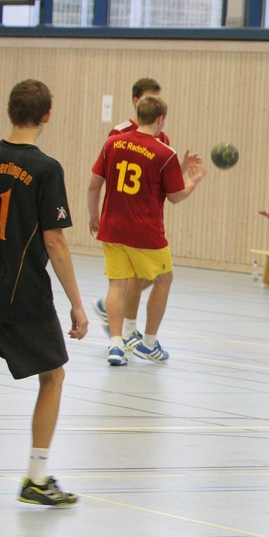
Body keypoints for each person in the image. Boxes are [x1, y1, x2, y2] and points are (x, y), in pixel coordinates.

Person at [0, 79, 88, 512]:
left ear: (10, 110)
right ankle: (36, 476)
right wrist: (77, 303)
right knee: (53, 376)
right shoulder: (47, 168)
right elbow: (55, 242)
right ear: (47, 115)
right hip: (23, 299)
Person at [87, 95, 206, 366]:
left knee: (117, 283)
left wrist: (94, 216)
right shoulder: (165, 153)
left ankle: (116, 345)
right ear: (161, 119)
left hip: (112, 227)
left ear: (137, 115)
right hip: (145, 231)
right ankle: (149, 343)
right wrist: (193, 180)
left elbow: (94, 184)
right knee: (164, 279)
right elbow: (176, 197)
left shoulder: (113, 143)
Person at [92, 78, 171, 349]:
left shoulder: (162, 138)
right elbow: (105, 176)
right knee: (149, 278)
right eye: (150, 98)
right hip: (123, 221)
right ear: (137, 101)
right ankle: (130, 330)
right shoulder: (118, 134)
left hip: (149, 220)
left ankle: (118, 317)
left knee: (144, 278)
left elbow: (162, 181)